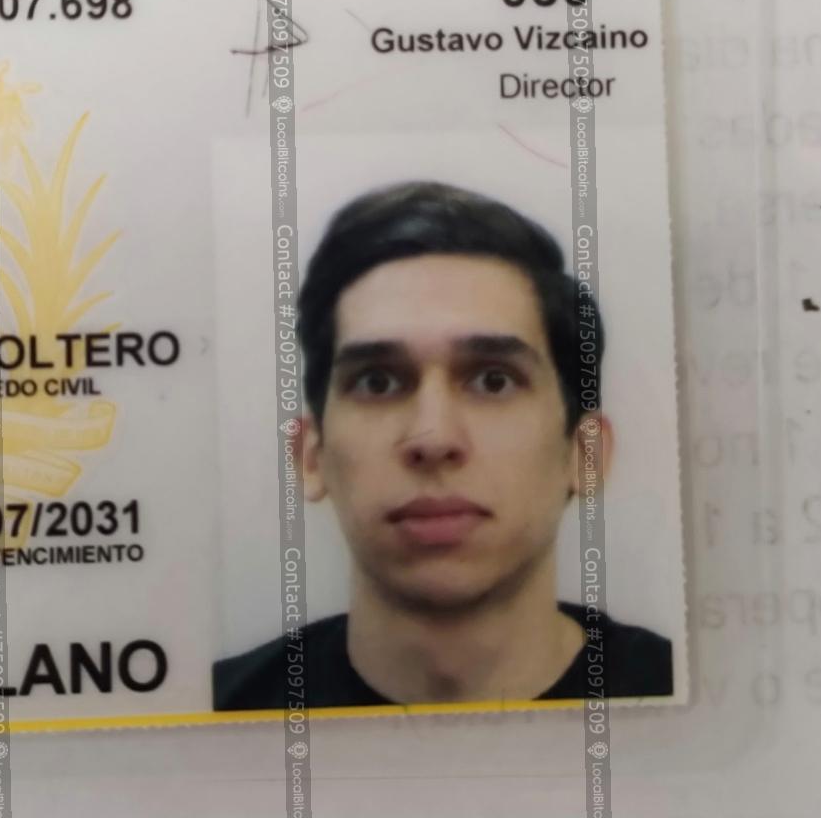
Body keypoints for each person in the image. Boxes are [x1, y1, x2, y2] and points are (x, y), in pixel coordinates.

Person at [213, 181, 672, 710]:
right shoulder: (217, 714)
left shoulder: (687, 698)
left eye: (493, 381)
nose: (433, 438)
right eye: (378, 382)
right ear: (312, 457)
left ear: (584, 455)